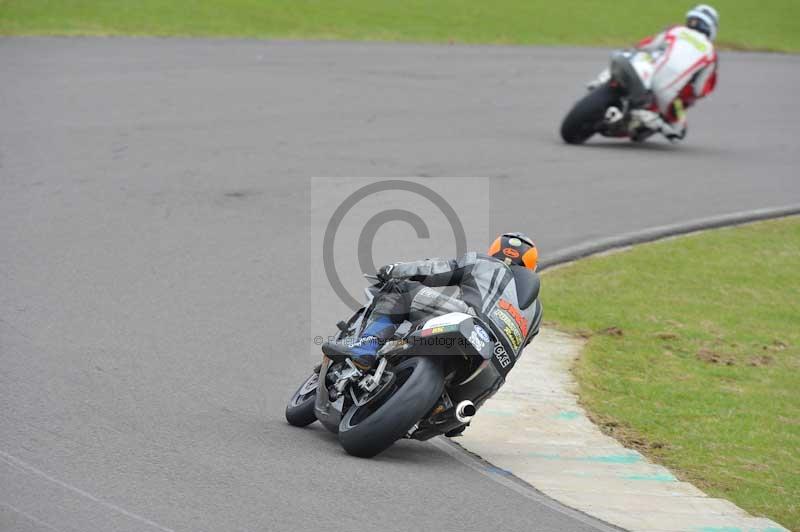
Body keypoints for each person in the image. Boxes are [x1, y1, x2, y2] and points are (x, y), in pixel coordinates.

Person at [323, 232, 543, 371]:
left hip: (468, 320)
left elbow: (435, 270)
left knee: (402, 290)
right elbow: (524, 345)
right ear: (531, 265)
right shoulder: (536, 311)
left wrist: (394, 269)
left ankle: (366, 346)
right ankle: (456, 413)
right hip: (494, 364)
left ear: (494, 250)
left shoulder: (483, 262)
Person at [594, 4, 720, 141]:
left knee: (635, 56)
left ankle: (603, 79)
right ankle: (651, 120)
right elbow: (700, 90)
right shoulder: (710, 53)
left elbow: (647, 45)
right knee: (678, 132)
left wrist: (635, 50)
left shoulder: (676, 30)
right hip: (667, 95)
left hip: (645, 72)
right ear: (711, 28)